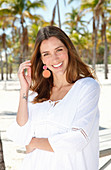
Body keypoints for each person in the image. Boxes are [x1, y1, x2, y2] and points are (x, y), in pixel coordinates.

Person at [7, 26, 100, 170]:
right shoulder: (36, 94)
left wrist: (33, 142)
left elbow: (77, 140)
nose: (54, 58)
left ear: (68, 50)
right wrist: (24, 90)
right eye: (46, 54)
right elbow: (20, 133)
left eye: (59, 50)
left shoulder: (87, 87)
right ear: (42, 60)